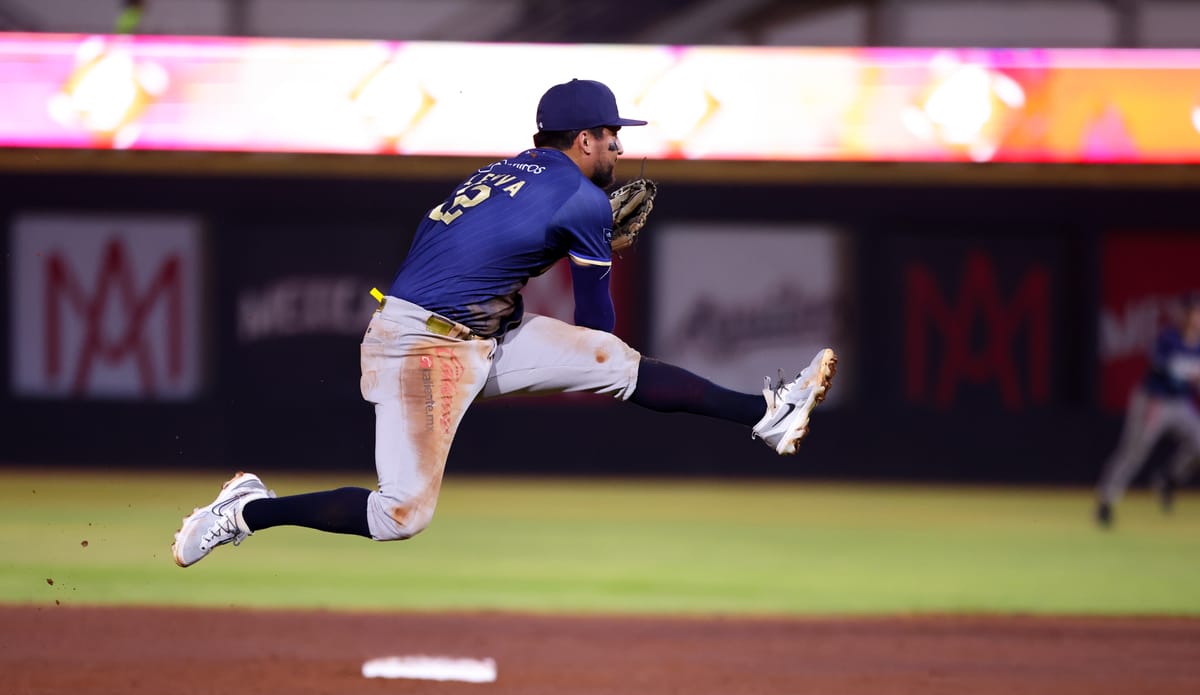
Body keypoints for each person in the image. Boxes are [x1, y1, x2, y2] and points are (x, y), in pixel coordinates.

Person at [172, 79, 837, 567]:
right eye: (611, 135)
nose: (618, 146)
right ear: (583, 140)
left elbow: (474, 255)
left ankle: (767, 413)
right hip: (421, 348)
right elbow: (596, 319)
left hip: (477, 332)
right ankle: (247, 512)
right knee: (401, 514)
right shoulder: (581, 198)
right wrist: (597, 243)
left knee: (617, 367)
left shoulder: (506, 171)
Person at [1095, 290, 1200, 527]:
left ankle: (1168, 479)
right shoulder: (1169, 338)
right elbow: (1160, 370)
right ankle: (1106, 501)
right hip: (1152, 401)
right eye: (1194, 312)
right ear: (1185, 315)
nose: (1197, 318)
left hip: (1180, 403)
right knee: (1134, 451)